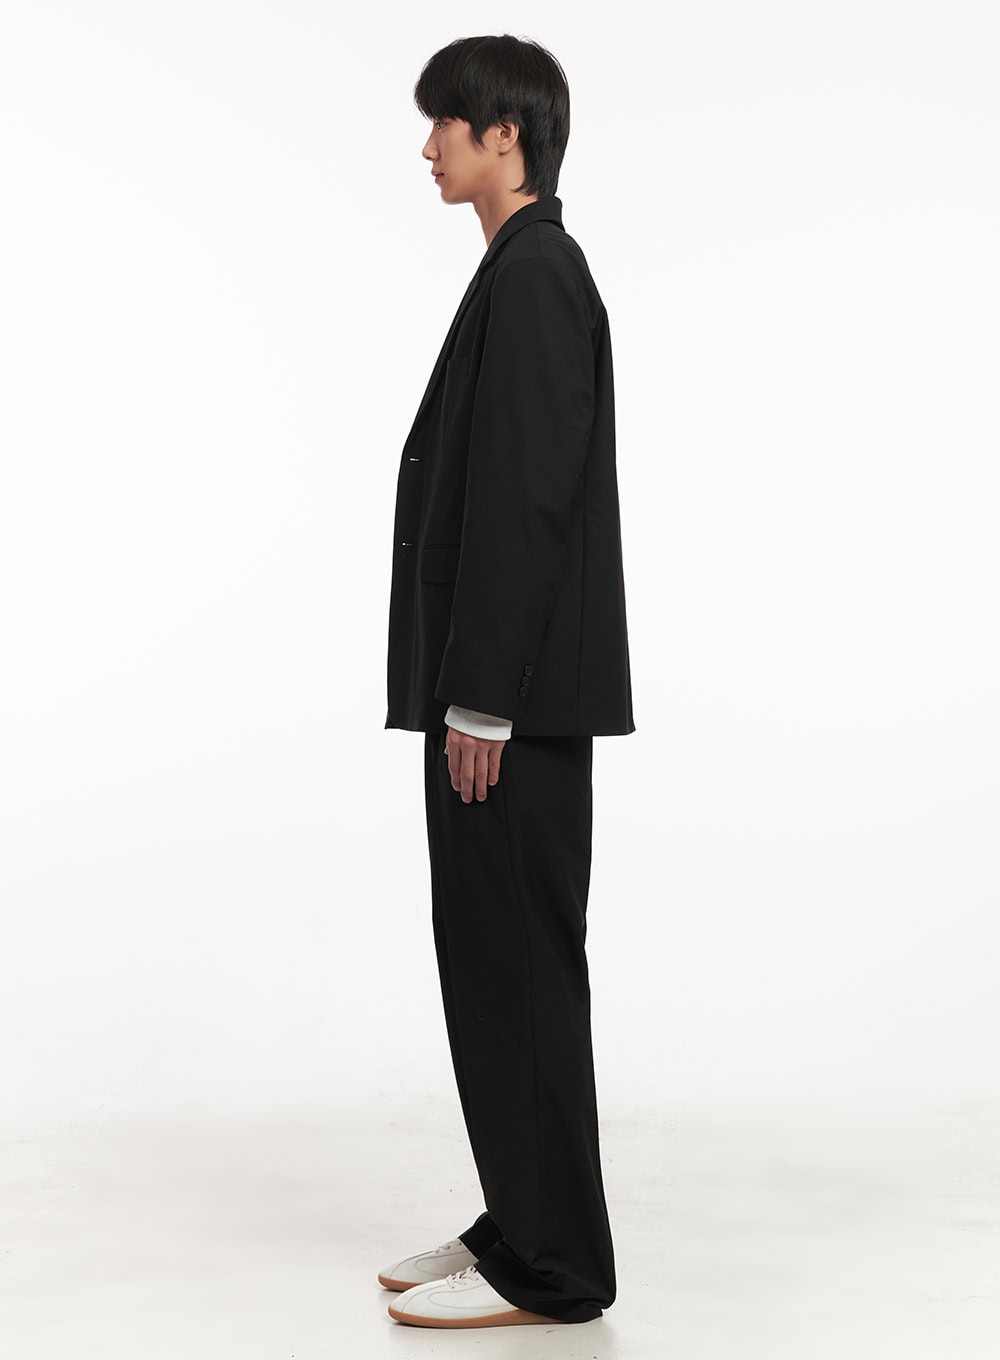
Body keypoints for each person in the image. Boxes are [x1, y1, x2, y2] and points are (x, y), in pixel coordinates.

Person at [380, 33, 636, 1329]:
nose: (428, 145)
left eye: (446, 123)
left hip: (512, 712)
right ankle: (521, 1219)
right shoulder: (519, 270)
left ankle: (554, 1268)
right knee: (494, 965)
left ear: (505, 135)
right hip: (501, 702)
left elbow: (526, 501)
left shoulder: (537, 276)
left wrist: (480, 697)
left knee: (518, 968)